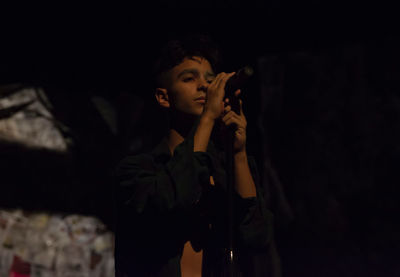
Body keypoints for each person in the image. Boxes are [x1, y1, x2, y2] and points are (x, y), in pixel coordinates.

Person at [114, 34, 273, 277]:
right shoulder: (136, 171)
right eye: (189, 78)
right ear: (163, 97)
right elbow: (171, 198)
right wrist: (208, 117)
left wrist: (238, 154)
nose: (203, 86)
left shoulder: (225, 165)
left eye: (210, 80)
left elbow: (257, 236)